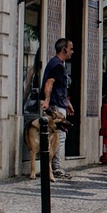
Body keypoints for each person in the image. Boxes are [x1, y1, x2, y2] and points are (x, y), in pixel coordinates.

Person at [40, 38, 75, 180]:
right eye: (71, 48)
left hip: (59, 104)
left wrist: (68, 103)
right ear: (64, 49)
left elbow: (59, 87)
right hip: (56, 107)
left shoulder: (56, 64)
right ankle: (56, 168)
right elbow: (49, 83)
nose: (72, 51)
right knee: (59, 137)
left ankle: (53, 167)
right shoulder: (57, 66)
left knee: (57, 137)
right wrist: (47, 101)